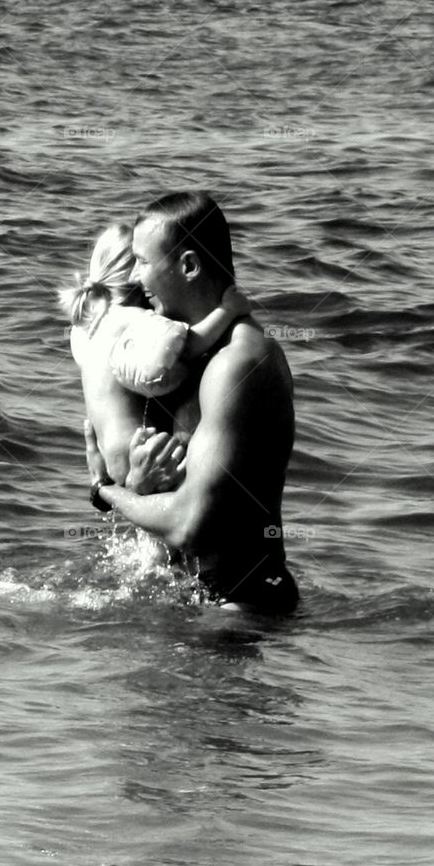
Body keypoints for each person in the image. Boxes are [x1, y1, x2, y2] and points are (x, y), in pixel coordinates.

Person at [84, 192, 300, 616]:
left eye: (143, 262)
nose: (135, 278)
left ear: (187, 266)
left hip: (245, 602)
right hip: (201, 596)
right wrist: (134, 486)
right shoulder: (190, 360)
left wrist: (106, 492)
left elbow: (188, 523)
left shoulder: (238, 364)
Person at [60, 223, 252, 487]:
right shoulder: (133, 319)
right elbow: (186, 346)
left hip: (109, 456)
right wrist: (227, 311)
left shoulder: (83, 328)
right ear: (134, 274)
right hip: (141, 451)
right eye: (141, 262)